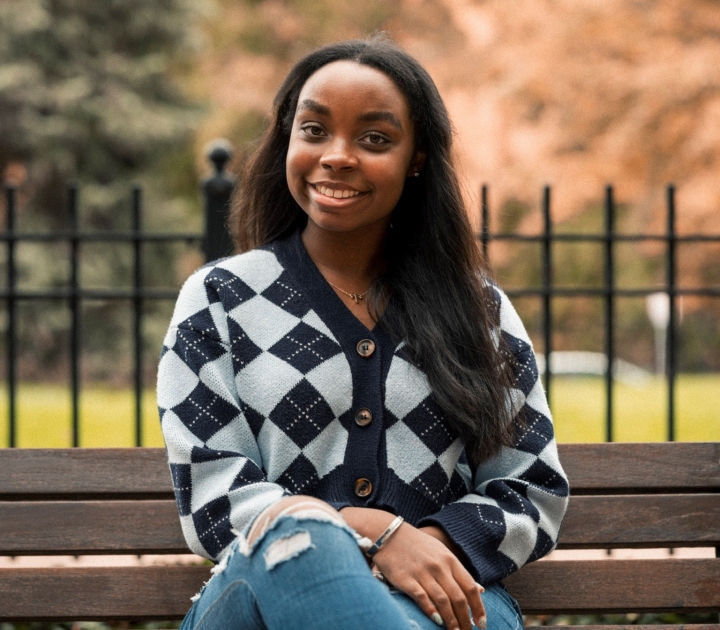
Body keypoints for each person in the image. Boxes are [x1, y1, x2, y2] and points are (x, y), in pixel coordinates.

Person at [157, 36, 569, 630]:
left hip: (445, 599)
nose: (338, 156)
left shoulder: (479, 312)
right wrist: (378, 534)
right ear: (288, 141)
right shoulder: (220, 299)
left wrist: (429, 547)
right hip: (261, 595)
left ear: (417, 157)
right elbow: (214, 494)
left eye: (374, 139)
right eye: (315, 130)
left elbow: (531, 486)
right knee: (298, 535)